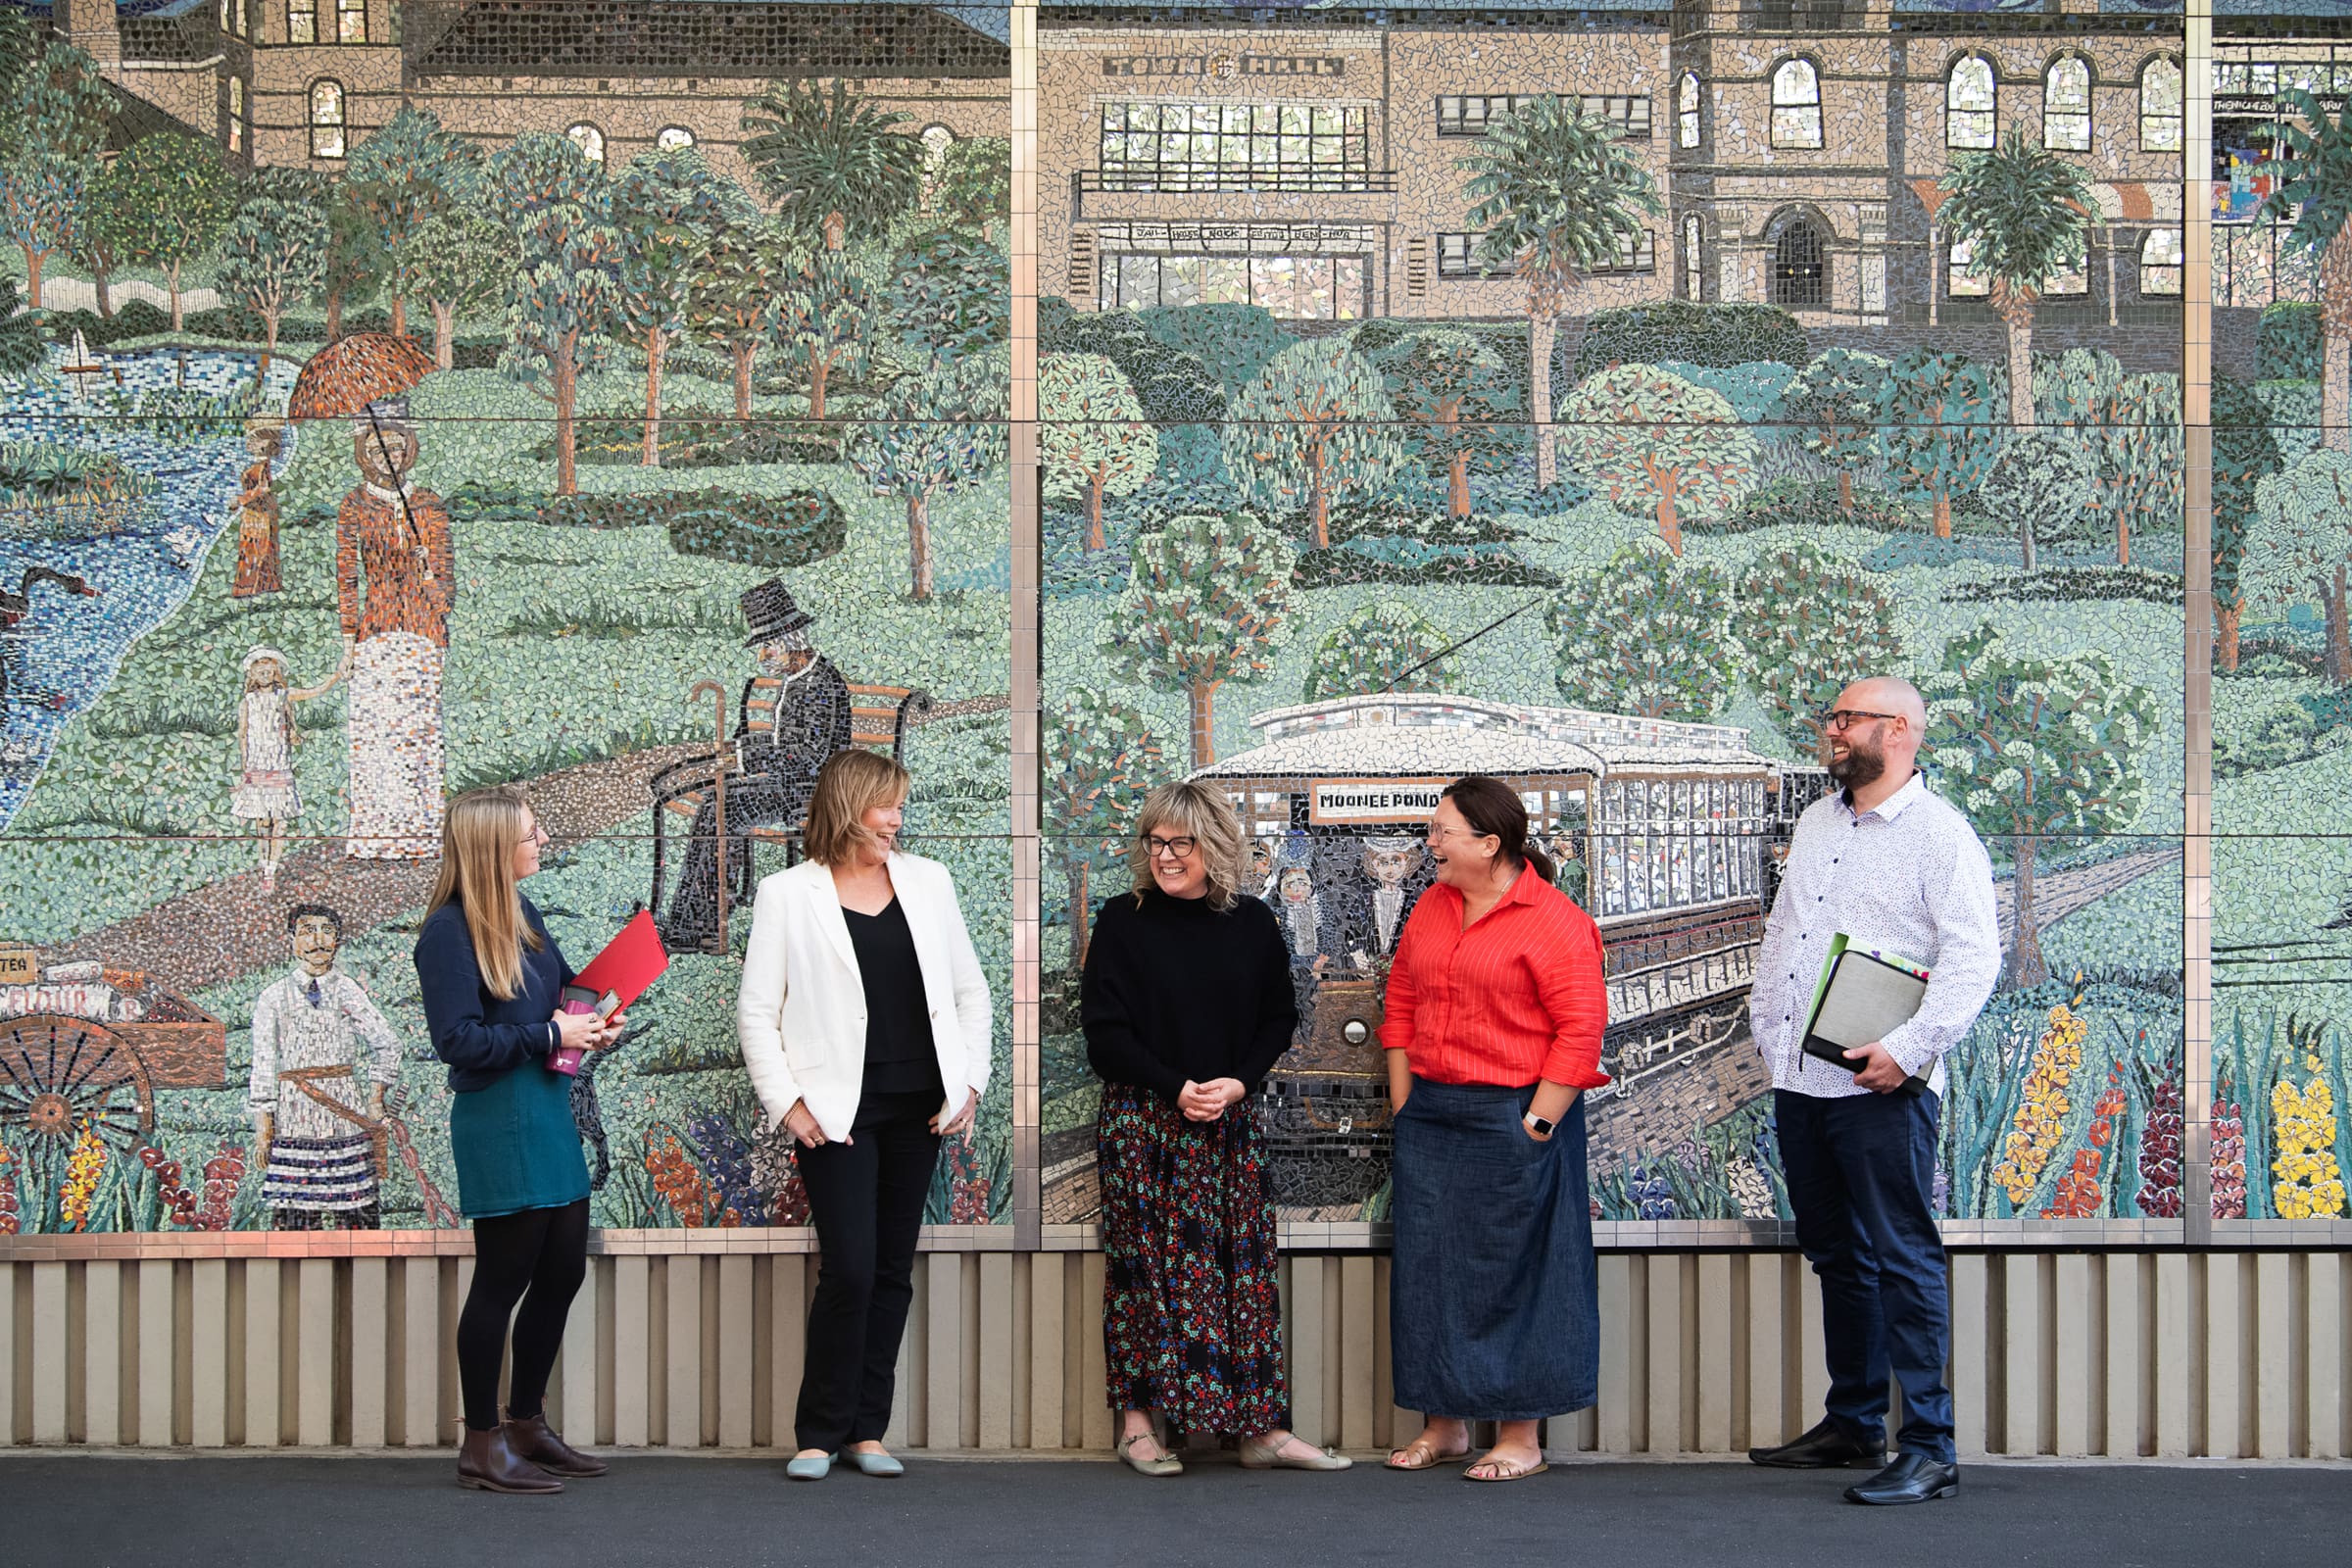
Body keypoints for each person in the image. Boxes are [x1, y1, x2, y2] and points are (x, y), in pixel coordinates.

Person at [1744, 677, 1997, 1506]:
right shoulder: (1819, 821)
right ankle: (1855, 1423)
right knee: (1836, 1255)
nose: (1830, 729)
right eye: (1831, 717)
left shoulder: (1942, 836)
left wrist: (1908, 1049)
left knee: (1902, 1256)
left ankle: (1931, 1447)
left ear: (1898, 732)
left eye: (1846, 719)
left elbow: (1973, 961)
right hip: (1802, 1078)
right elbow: (1787, 928)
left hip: (1882, 1084)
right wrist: (1765, 1022)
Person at [1082, 779, 1349, 1478]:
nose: (1166, 856)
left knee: (1242, 1274)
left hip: (1226, 1124)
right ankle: (1140, 1426)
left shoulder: (1252, 925)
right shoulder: (1121, 921)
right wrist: (1175, 1087)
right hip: (1144, 1126)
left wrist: (1237, 1082)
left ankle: (1258, 1429)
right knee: (1144, 1275)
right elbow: (1103, 1038)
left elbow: (1277, 1019)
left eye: (1181, 842)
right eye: (1156, 842)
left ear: (1216, 846)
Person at [737, 748, 989, 1481]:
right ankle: (818, 1432)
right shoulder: (788, 894)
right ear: (850, 807)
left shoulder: (928, 882)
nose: (898, 821)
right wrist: (788, 1104)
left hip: (920, 1108)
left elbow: (971, 994)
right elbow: (758, 1012)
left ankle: (865, 1431)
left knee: (890, 1270)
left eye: (900, 807)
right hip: (836, 1113)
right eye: (888, 807)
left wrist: (969, 1083)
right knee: (847, 1269)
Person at [1382, 775, 1608, 1484]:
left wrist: (1537, 1123)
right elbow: (1401, 1000)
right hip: (1434, 1114)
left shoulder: (1556, 920)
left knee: (1523, 1272)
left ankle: (1520, 1436)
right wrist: (1404, 1105)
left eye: (1442, 833)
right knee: (1430, 1269)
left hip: (1516, 1115)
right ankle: (1443, 1427)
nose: (1431, 845)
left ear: (1489, 842)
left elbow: (1580, 1031)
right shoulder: (1432, 906)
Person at [415, 784, 619, 1494]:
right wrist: (550, 1034)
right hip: (500, 1119)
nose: (542, 841)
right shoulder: (447, 931)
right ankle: (481, 1442)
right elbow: (457, 1042)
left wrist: (592, 1020)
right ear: (493, 847)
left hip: (546, 1108)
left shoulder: (522, 910)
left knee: (563, 1271)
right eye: (531, 833)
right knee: (502, 1282)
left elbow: (565, 993)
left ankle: (527, 1423)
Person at [660, 579, 854, 951]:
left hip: (814, 793)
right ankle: (699, 918)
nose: (762, 656)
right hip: (792, 784)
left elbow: (808, 758)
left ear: (789, 642)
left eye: (767, 646)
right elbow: (786, 745)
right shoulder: (798, 679)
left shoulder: (820, 684)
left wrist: (749, 758)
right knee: (719, 801)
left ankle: (697, 925)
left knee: (723, 806)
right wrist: (742, 751)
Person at [333, 399, 455, 860]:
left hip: (423, 634)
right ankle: (375, 836)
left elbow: (446, 597)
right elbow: (347, 576)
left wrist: (427, 572)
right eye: (380, 449)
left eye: (398, 448)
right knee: (376, 737)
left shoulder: (427, 504)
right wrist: (348, 640)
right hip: (376, 632)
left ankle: (421, 836)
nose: (390, 457)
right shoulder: (355, 505)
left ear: (410, 450)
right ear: (366, 453)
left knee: (419, 735)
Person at [248, 903, 403, 1229]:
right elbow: (262, 1064)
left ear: (338, 940)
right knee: (294, 1223)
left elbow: (387, 1043)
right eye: (307, 932)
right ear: (291, 940)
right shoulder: (273, 998)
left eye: (327, 931)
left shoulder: (347, 990)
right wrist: (265, 1131)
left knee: (357, 1217)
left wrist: (375, 1099)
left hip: (344, 1117)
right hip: (294, 1119)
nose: (318, 941)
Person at [230, 419, 284, 598]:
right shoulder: (257, 465)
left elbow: (263, 488)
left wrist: (240, 500)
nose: (249, 443)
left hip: (259, 513)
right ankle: (260, 584)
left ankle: (254, 585)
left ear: (265, 443)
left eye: (253, 439)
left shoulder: (262, 467)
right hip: (253, 513)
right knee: (253, 546)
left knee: (257, 547)